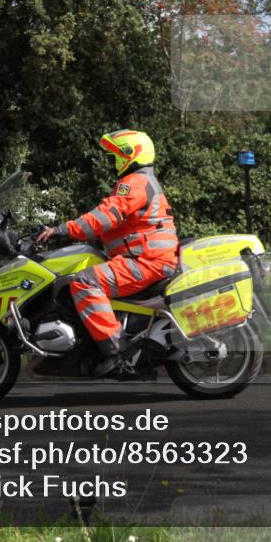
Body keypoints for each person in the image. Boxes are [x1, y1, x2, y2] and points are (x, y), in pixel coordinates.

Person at [36, 130, 178, 375]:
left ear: (130, 155)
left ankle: (117, 350)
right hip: (146, 259)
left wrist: (62, 229)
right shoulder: (142, 181)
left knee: (84, 282)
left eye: (117, 156)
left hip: (147, 262)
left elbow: (103, 217)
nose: (114, 162)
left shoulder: (134, 183)